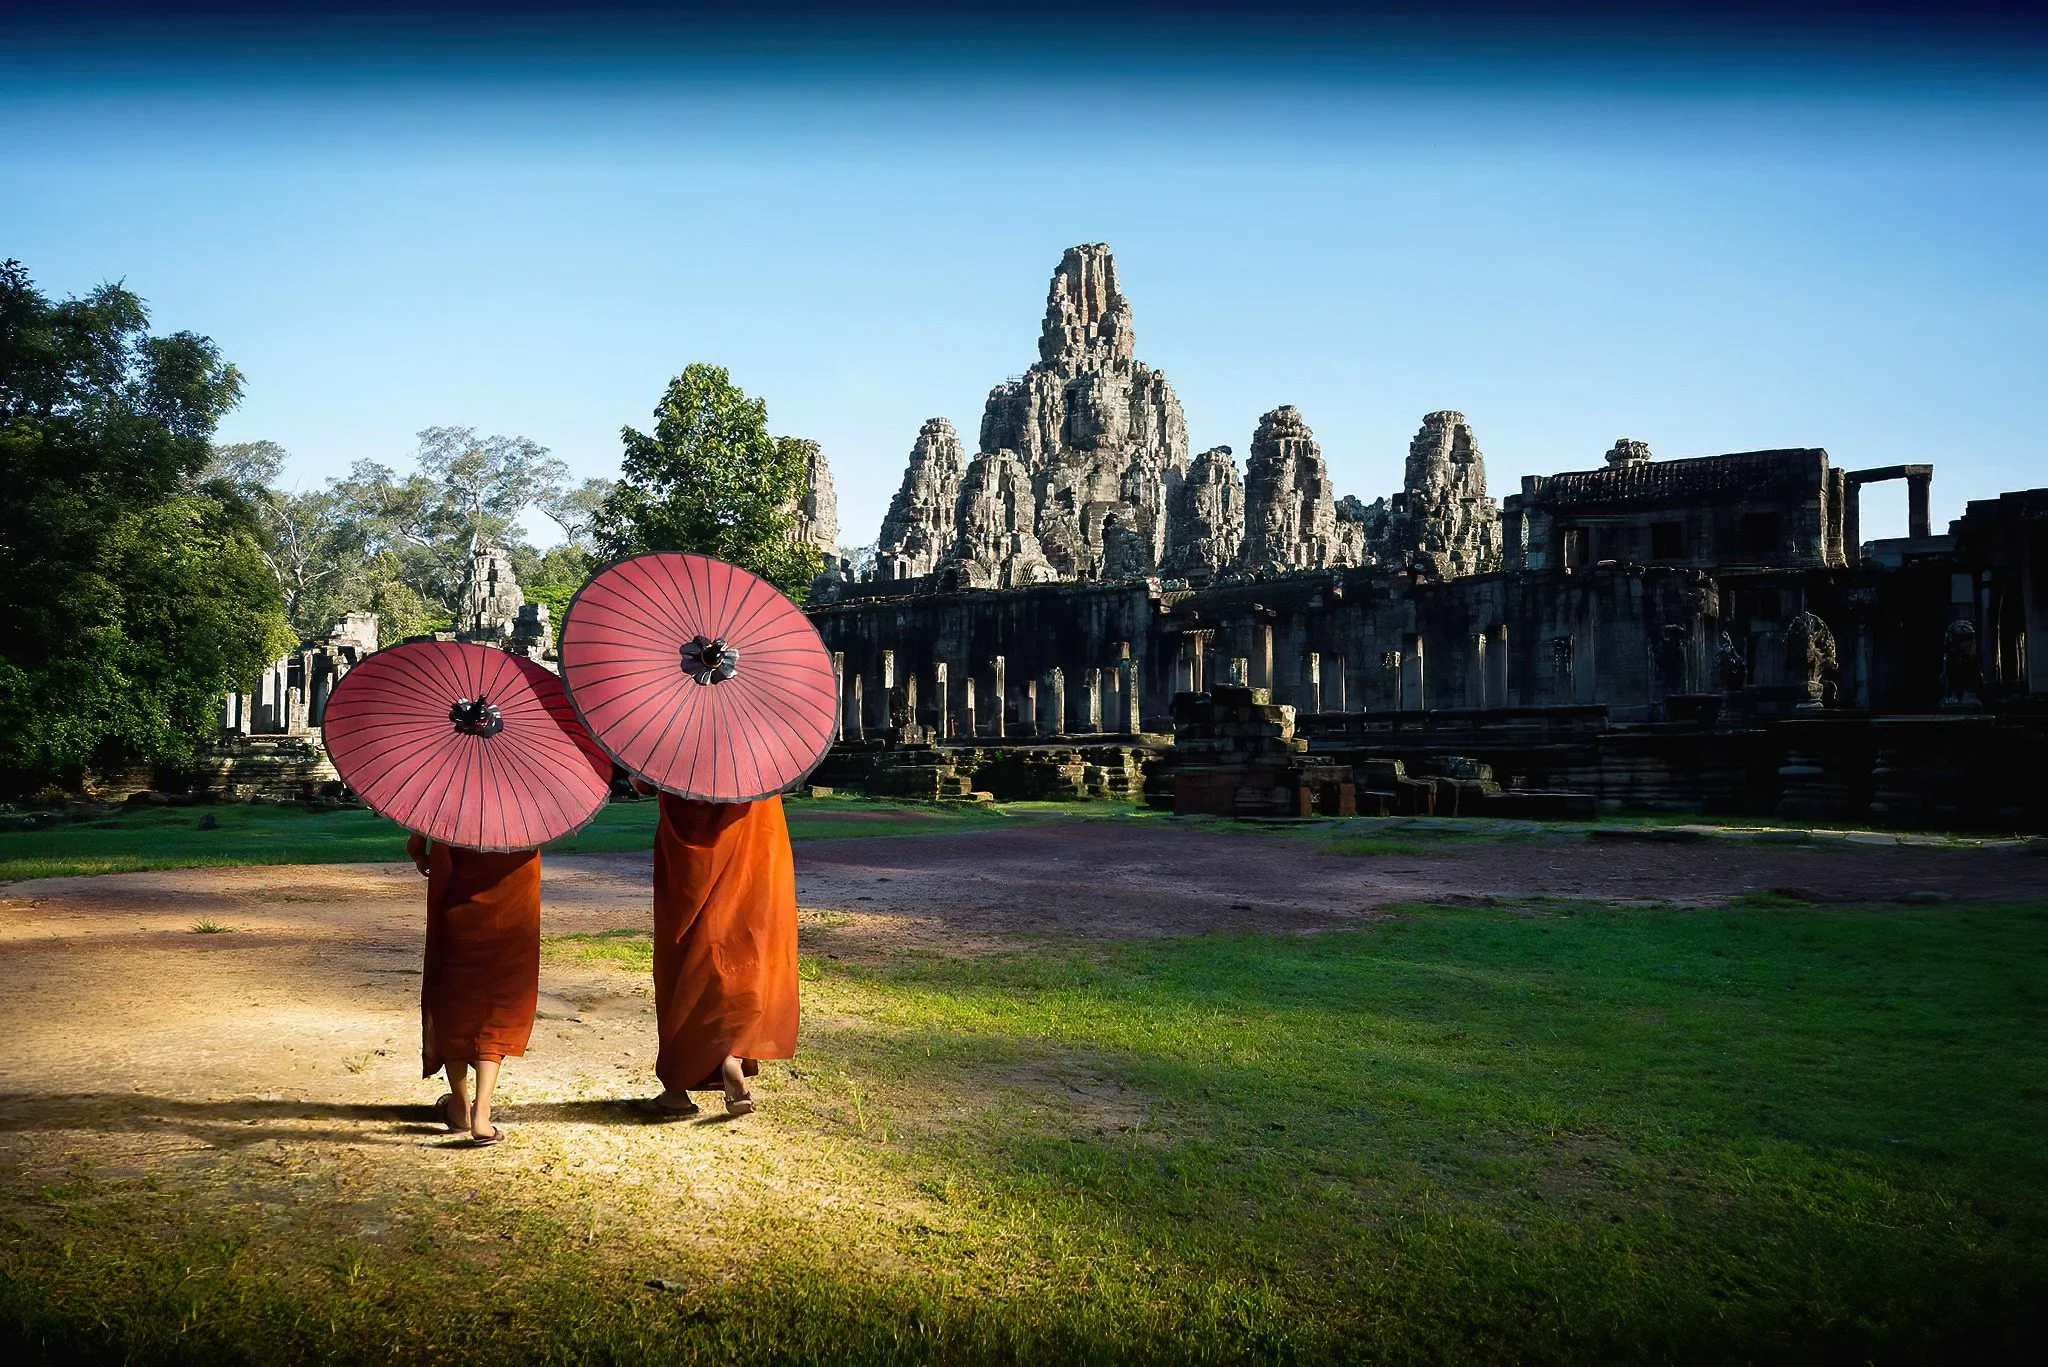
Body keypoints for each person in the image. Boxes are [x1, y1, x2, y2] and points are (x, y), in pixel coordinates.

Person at [638, 783, 800, 1119]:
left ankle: (675, 1091)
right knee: (746, 946)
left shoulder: (673, 738)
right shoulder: (757, 750)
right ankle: (734, 1053)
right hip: (754, 838)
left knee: (686, 957)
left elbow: (641, 780)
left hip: (688, 857)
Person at [407, 833, 542, 1146]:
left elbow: (424, 849)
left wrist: (419, 853)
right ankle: (482, 1112)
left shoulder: (452, 805)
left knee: (456, 1001)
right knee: (496, 1005)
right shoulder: (525, 819)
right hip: (510, 922)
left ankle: (459, 1104)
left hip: (460, 920)